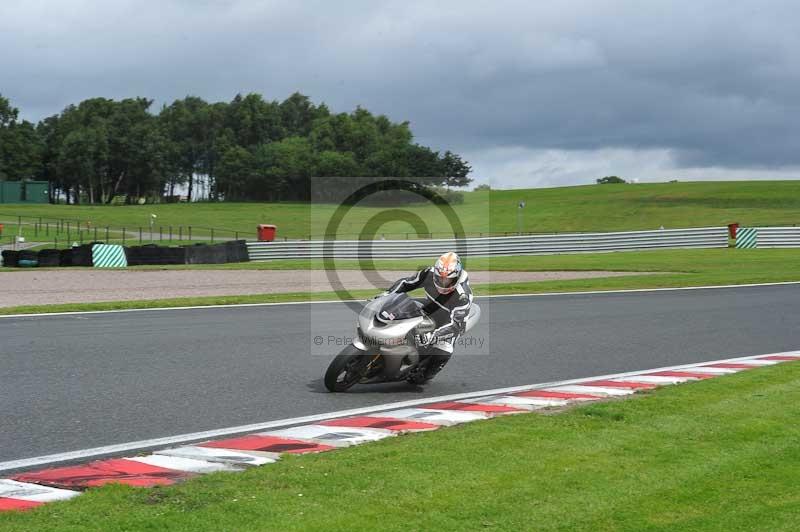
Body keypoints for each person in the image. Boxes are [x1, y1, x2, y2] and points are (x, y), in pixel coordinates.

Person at [384, 251, 473, 382]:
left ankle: (426, 374)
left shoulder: (463, 295)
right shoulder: (428, 274)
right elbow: (406, 283)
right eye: (440, 278)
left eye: (447, 280)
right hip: (431, 307)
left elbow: (456, 325)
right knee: (402, 308)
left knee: (444, 348)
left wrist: (433, 336)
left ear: (456, 277)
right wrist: (388, 294)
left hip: (448, 321)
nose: (443, 283)